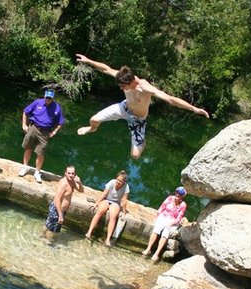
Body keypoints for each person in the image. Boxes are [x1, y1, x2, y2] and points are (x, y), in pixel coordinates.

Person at [75, 54, 209, 159]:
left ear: (131, 81)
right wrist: (88, 61)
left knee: (135, 156)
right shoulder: (123, 77)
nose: (121, 89)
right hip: (123, 108)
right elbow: (106, 69)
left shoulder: (145, 88)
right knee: (94, 120)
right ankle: (92, 129)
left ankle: (142, 143)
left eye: (123, 87)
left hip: (138, 120)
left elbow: (170, 99)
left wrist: (193, 108)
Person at [19, 89, 66, 183]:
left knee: (41, 153)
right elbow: (25, 111)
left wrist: (54, 132)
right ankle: (25, 167)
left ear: (52, 98)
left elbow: (61, 122)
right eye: (47, 97)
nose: (48, 100)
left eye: (50, 98)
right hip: (33, 127)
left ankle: (37, 172)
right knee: (28, 148)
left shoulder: (57, 107)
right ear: (44, 97)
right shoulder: (37, 102)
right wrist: (24, 124)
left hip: (45, 132)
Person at [84, 170, 130, 246]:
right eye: (117, 180)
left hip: (116, 203)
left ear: (124, 182)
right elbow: (104, 194)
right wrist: (96, 203)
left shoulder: (126, 187)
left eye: (120, 181)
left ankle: (108, 239)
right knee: (100, 211)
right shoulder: (112, 182)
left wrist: (124, 211)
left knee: (113, 216)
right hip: (107, 199)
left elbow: (124, 200)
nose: (118, 182)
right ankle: (89, 232)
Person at [142, 186, 187, 261]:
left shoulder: (183, 205)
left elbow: (179, 218)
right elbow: (161, 208)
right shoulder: (170, 198)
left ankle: (157, 253)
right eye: (177, 192)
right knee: (156, 229)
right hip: (164, 216)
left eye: (180, 194)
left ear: (182, 196)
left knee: (166, 230)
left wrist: (171, 223)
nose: (178, 195)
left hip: (173, 220)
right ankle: (148, 248)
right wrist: (159, 216)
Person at [44, 165, 83, 239]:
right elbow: (57, 199)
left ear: (75, 174)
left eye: (73, 173)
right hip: (57, 210)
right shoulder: (64, 184)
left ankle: (42, 236)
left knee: (48, 225)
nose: (71, 175)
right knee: (52, 230)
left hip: (61, 210)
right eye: (69, 173)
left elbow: (81, 190)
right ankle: (47, 243)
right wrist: (60, 215)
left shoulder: (72, 182)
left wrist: (79, 182)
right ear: (65, 173)